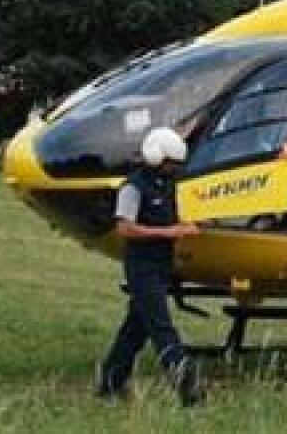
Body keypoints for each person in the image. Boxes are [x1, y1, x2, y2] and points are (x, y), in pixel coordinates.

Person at [97, 127, 205, 406]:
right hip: (142, 266)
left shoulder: (166, 186)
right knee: (161, 326)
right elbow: (125, 229)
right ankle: (187, 385)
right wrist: (169, 232)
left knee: (136, 327)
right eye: (171, 163)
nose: (175, 169)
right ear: (156, 157)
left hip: (161, 265)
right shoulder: (132, 188)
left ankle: (110, 382)